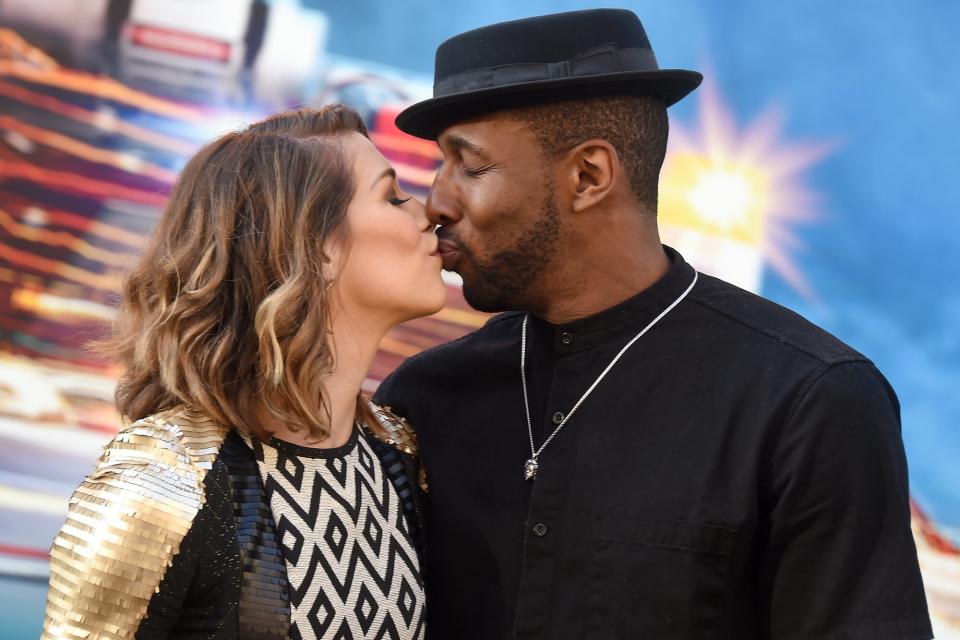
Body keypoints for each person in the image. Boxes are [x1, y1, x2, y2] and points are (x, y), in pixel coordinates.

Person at [373, 9, 933, 640]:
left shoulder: (808, 403)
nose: (437, 201)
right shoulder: (422, 399)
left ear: (588, 176)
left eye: (468, 165)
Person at [41, 105, 443, 640]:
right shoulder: (158, 483)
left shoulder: (402, 456)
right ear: (315, 244)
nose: (428, 212)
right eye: (393, 197)